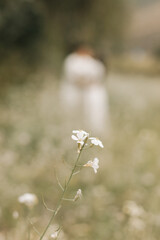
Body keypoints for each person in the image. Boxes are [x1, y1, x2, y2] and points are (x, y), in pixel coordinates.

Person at [60, 44, 109, 135]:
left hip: (92, 92)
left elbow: (96, 78)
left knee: (95, 114)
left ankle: (95, 132)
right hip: (80, 91)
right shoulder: (72, 60)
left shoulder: (95, 63)